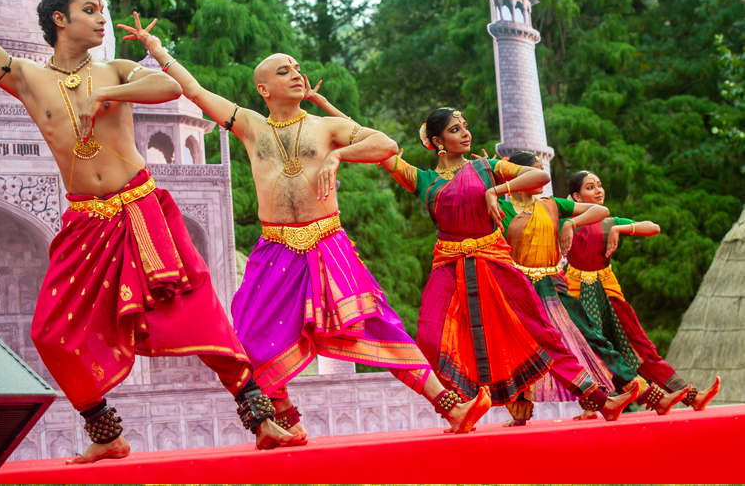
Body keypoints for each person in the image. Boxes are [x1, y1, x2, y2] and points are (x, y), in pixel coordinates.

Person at [0, 0, 301, 463]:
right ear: (60, 19)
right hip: (85, 221)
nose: (101, 17)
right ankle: (105, 432)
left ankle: (262, 421)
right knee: (49, 330)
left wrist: (106, 97)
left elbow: (168, 85)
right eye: (90, 10)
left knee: (197, 314)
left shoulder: (117, 70)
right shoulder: (25, 76)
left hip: (141, 209)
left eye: (101, 9)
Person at [126, 30, 493, 440]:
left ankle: (452, 408)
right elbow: (193, 91)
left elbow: (385, 144)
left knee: (377, 323)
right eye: (284, 71)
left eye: (298, 68)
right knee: (249, 334)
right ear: (263, 88)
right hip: (275, 248)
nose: (297, 74)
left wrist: (338, 154)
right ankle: (287, 423)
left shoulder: (326, 127)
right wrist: (157, 50)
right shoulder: (249, 125)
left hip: (327, 244)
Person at [305, 91, 640, 421]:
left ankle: (600, 399)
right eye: (455, 129)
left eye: (465, 126)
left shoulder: (487, 168)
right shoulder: (422, 180)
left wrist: (497, 189)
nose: (465, 133)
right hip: (448, 264)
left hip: (493, 260)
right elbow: (370, 140)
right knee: (430, 335)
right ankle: (457, 407)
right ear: (437, 141)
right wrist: (323, 106)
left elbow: (539, 176)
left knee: (538, 331)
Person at [501, 151, 688, 421]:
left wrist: (573, 223)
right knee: (520, 350)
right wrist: (492, 177)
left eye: (544, 169)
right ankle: (520, 413)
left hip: (554, 286)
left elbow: (603, 211)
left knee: (591, 340)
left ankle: (648, 396)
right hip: (520, 289)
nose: (545, 175)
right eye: (536, 170)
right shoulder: (501, 209)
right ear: (517, 175)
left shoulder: (551, 205)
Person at [565, 170, 721, 416]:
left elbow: (654, 227)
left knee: (640, 349)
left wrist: (623, 229)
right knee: (589, 352)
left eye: (599, 185)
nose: (598, 190)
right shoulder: (565, 221)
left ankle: (693, 396)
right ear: (575, 196)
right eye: (590, 187)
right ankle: (593, 408)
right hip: (576, 296)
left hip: (607, 293)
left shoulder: (608, 222)